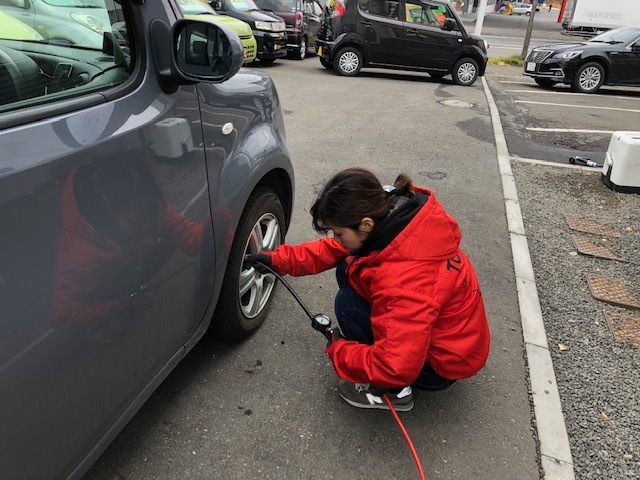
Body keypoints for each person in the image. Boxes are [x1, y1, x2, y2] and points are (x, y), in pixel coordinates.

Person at [245, 168, 490, 412]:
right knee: (348, 265)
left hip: (440, 368)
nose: (335, 239)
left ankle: (396, 393)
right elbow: (331, 250)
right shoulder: (398, 224)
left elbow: (395, 367)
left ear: (365, 225)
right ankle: (387, 347)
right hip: (455, 342)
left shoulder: (404, 281)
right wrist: (278, 260)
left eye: (339, 233)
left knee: (347, 304)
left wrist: (341, 351)